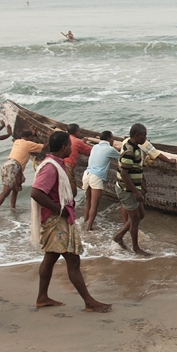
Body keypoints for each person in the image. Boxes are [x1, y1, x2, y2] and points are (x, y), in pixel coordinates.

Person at [30, 131, 112, 312]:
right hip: (56, 221)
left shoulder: (55, 163)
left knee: (50, 258)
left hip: (56, 219)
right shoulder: (51, 167)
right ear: (64, 147)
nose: (71, 148)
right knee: (73, 262)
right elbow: (36, 192)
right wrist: (57, 209)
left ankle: (42, 297)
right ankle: (89, 301)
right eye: (70, 145)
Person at [0, 129, 44, 218]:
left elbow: (23, 137)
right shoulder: (28, 144)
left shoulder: (17, 141)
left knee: (16, 189)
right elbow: (43, 147)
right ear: (29, 137)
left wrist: (30, 133)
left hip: (7, 165)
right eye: (31, 137)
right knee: (5, 192)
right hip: (13, 166)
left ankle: (13, 209)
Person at [113, 123, 150, 255]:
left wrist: (142, 184)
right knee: (135, 219)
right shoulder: (129, 151)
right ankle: (136, 248)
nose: (145, 138)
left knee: (141, 215)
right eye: (143, 136)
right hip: (126, 190)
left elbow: (137, 168)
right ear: (136, 136)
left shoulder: (134, 146)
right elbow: (124, 173)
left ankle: (119, 236)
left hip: (134, 187)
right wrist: (135, 191)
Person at [83, 130, 120, 231]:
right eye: (112, 138)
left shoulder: (95, 147)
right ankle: (89, 228)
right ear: (108, 139)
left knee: (88, 201)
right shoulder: (109, 149)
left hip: (87, 174)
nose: (113, 140)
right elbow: (121, 157)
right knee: (94, 203)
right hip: (96, 176)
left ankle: (85, 221)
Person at [64, 124, 93, 196]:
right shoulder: (77, 141)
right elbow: (91, 151)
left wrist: (81, 142)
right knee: (71, 185)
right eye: (79, 131)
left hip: (60, 162)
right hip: (67, 165)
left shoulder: (65, 138)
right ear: (76, 132)